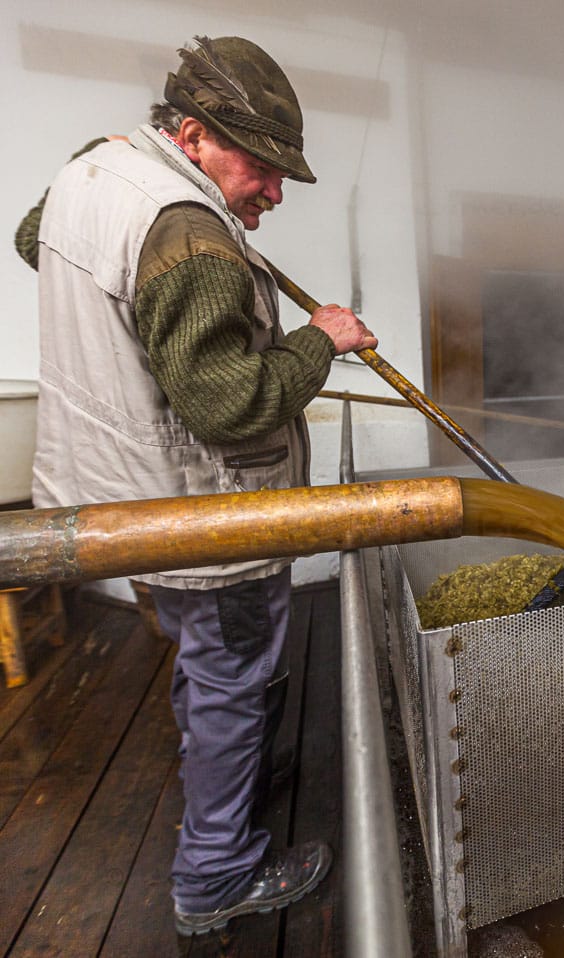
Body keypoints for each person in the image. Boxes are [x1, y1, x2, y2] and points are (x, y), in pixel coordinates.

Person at [13, 36, 377, 936]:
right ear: (192, 134)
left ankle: (231, 775)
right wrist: (320, 339)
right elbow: (232, 406)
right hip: (199, 513)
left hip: (113, 499)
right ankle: (215, 877)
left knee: (211, 668)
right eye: (262, 168)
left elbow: (35, 242)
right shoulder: (191, 230)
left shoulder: (90, 175)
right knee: (234, 680)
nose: (274, 193)